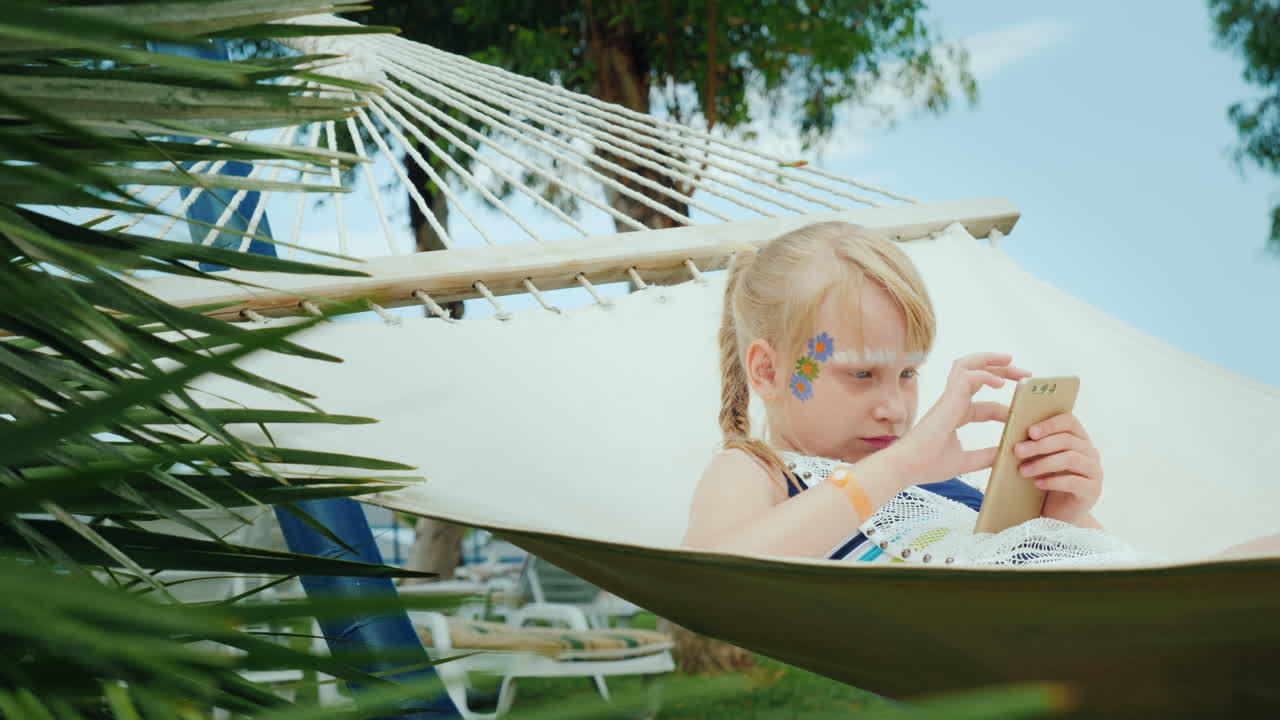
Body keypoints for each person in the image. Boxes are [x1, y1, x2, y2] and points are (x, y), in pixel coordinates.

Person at [681, 221, 1274, 566]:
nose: (895, 407)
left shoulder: (935, 484)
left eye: (909, 374)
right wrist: (898, 467)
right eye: (861, 374)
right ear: (769, 373)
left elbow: (1087, 570)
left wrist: (1067, 511)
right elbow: (710, 575)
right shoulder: (757, 471)